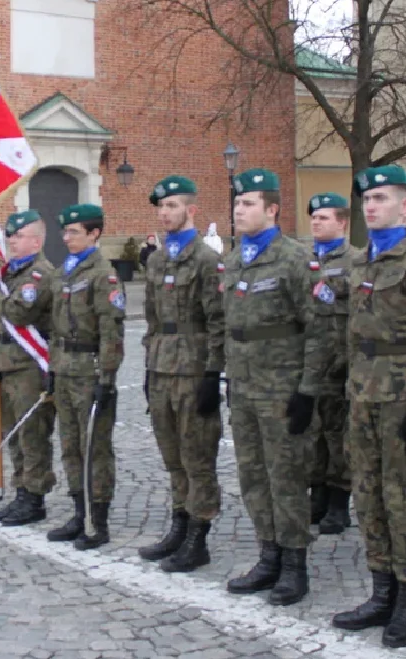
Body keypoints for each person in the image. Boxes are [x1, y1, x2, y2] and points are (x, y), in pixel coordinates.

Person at [331, 165, 406, 649]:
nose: (371, 206)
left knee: (404, 500)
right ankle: (381, 591)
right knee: (368, 496)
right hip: (362, 395)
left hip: (402, 398)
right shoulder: (359, 262)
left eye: (381, 198)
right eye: (367, 200)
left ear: (405, 205)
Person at [221, 168, 323, 606]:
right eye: (236, 204)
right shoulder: (233, 259)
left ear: (272, 209)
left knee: (286, 477)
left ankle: (294, 563)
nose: (238, 210)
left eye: (247, 204)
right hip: (243, 387)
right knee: (252, 475)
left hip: (282, 389)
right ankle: (268, 554)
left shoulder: (295, 258)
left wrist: (309, 389)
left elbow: (319, 328)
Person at [138, 176, 224, 573]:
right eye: (161, 207)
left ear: (191, 210)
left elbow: (218, 321)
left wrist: (212, 374)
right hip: (161, 368)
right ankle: (179, 522)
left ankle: (198, 535)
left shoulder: (206, 260)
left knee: (197, 456)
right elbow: (153, 320)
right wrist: (147, 367)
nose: (165, 213)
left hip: (193, 370)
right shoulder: (156, 260)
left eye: (173, 206)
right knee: (172, 454)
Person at [45, 203, 125, 551]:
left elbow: (111, 331)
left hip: (90, 371)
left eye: (73, 232)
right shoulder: (65, 271)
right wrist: (51, 367)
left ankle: (98, 519)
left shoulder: (102, 274)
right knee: (70, 446)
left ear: (94, 234)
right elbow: (55, 326)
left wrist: (107, 378)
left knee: (94, 448)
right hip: (64, 369)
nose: (66, 238)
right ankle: (79, 512)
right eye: (65, 232)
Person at [0, 210, 57, 526]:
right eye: (10, 235)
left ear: (36, 241)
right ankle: (21, 490)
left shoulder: (40, 275)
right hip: (6, 362)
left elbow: (19, 314)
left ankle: (34, 496)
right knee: (13, 432)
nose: (12, 240)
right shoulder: (7, 275)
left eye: (19, 235)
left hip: (29, 367)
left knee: (32, 433)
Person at [305, 192, 358, 536]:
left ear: (342, 222)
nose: (316, 222)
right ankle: (318, 495)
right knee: (313, 435)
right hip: (310, 363)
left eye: (324, 217)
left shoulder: (356, 260)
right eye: (313, 217)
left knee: (339, 435)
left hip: (341, 362)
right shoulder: (302, 259)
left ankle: (339, 503)